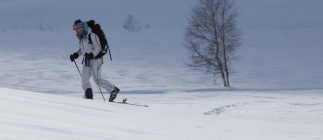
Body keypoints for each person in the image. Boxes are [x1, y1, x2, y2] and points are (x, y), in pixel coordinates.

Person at [69, 19, 119, 102]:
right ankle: (88, 96)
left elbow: (98, 47)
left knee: (97, 80)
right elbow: (82, 49)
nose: (76, 32)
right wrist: (76, 55)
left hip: (96, 60)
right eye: (75, 30)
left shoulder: (91, 35)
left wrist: (92, 55)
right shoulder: (82, 38)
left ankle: (113, 90)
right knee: (84, 79)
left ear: (82, 28)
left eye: (77, 29)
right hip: (86, 60)